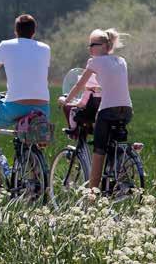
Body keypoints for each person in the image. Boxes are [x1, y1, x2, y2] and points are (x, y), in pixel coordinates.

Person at [0, 14, 51, 188]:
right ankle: (34, 176)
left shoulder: (5, 45)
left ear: (16, 31)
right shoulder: (45, 48)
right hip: (43, 107)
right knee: (29, 138)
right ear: (34, 32)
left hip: (16, 106)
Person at [58, 28, 132, 189]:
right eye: (89, 45)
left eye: (94, 45)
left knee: (99, 151)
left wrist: (66, 101)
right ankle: (120, 176)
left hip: (107, 111)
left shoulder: (95, 62)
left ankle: (92, 193)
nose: (90, 48)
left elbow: (79, 85)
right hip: (126, 110)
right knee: (114, 144)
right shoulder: (121, 61)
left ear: (105, 46)